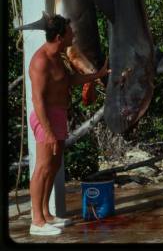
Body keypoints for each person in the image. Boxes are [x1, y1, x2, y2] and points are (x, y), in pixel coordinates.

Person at [27, 14, 109, 236]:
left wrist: (96, 75)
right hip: (46, 118)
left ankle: (46, 214)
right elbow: (38, 101)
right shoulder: (41, 60)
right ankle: (36, 221)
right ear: (60, 36)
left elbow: (69, 80)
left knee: (54, 166)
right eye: (70, 32)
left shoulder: (59, 56)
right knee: (42, 167)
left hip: (59, 115)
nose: (74, 35)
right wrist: (48, 132)